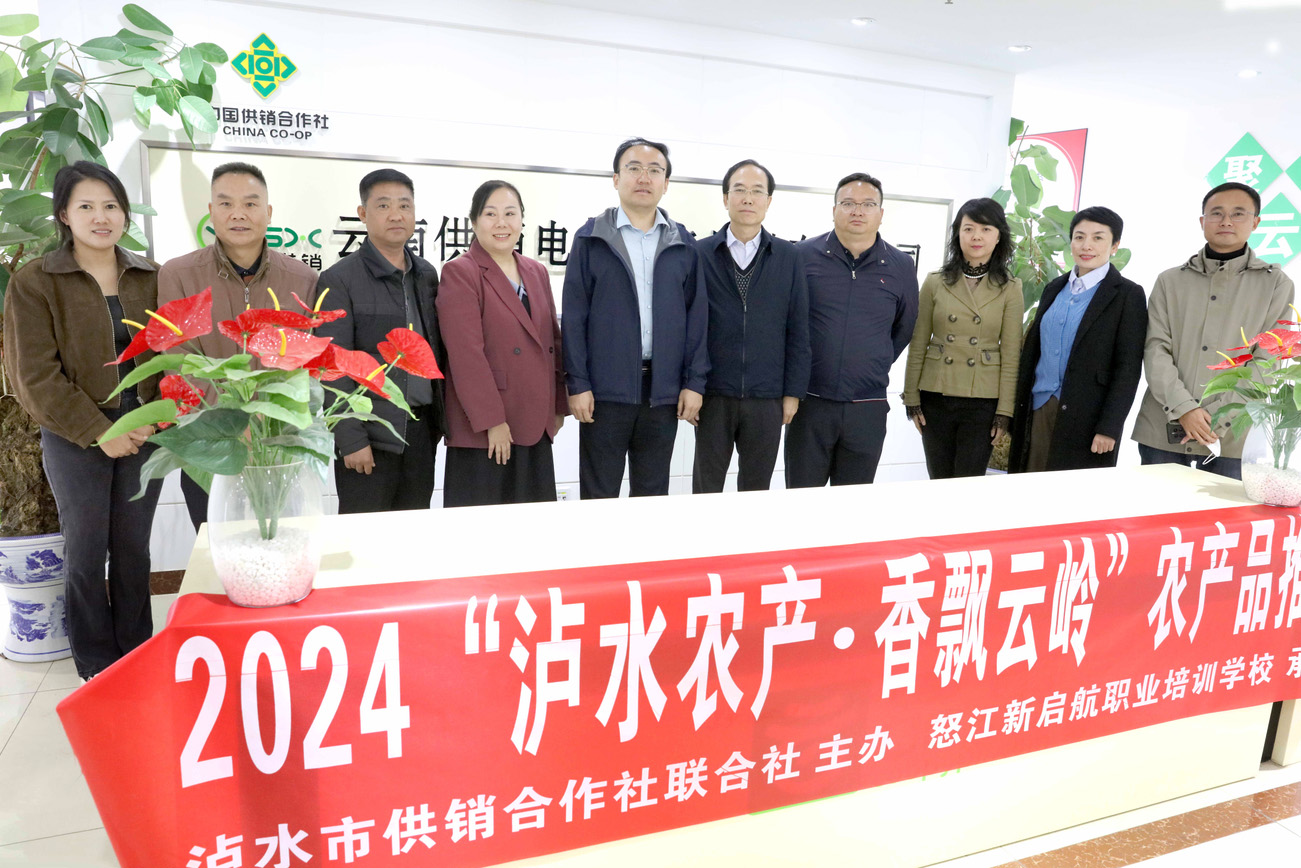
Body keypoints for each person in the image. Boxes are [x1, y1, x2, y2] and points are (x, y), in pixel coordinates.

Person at [3, 162, 162, 682]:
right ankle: (96, 663)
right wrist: (101, 431)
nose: (101, 217)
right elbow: (34, 376)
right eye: (87, 206)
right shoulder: (36, 281)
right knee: (87, 551)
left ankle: (137, 652)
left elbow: (175, 354)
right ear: (64, 216)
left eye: (111, 206)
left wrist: (154, 418)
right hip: (76, 434)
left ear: (125, 214)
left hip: (146, 430)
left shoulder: (152, 276)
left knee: (134, 549)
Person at [158, 161, 317, 529]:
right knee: (215, 542)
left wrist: (266, 419)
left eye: (250, 203)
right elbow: (178, 358)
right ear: (211, 211)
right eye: (226, 203)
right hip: (208, 442)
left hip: (277, 444)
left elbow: (305, 360)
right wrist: (233, 422)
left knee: (278, 540)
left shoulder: (302, 278)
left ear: (268, 212)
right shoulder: (178, 274)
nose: (238, 214)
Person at [562, 137, 709, 498]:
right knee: (599, 493)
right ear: (616, 178)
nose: (644, 177)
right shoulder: (591, 238)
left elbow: (697, 318)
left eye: (654, 170)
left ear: (666, 183)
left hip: (662, 392)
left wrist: (694, 382)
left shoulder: (683, 243)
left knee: (652, 493)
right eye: (634, 168)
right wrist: (577, 383)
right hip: (604, 392)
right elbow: (575, 317)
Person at [1132, 182, 1295, 477]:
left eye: (1238, 213)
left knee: (1224, 509)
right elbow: (1155, 349)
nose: (1226, 221)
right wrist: (1184, 409)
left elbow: (1267, 362)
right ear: (1202, 221)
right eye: (1217, 213)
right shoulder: (1170, 281)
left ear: (1255, 222)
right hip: (1163, 430)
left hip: (1234, 437)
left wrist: (1217, 418)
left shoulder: (1275, 284)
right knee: (1155, 505)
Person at [316, 169, 444, 513]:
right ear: (363, 213)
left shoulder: (426, 275)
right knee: (363, 536)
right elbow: (332, 366)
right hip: (369, 436)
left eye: (404, 205)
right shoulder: (339, 279)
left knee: (412, 530)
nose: (396, 215)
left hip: (421, 432)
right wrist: (350, 438)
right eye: (384, 205)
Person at [436, 180, 567, 506]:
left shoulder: (536, 271)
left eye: (510, 213)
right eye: (490, 214)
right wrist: (492, 421)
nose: (501, 223)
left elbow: (552, 341)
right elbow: (466, 356)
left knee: (531, 524)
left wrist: (557, 405)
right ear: (474, 221)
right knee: (484, 525)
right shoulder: (461, 272)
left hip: (535, 421)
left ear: (522, 219)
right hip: (486, 430)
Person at [786, 172, 918, 487]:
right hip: (810, 402)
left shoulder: (900, 265)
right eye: (848, 203)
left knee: (854, 505)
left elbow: (904, 327)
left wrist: (873, 359)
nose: (857, 211)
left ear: (881, 214)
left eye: (867, 204)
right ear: (834, 210)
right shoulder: (801, 256)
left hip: (867, 407)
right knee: (801, 500)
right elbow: (787, 322)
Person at [693, 159, 809, 492]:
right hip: (713, 394)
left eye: (757, 191)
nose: (748, 198)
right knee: (706, 486)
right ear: (725, 198)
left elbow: (798, 329)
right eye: (739, 190)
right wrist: (693, 385)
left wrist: (792, 393)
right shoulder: (700, 253)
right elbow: (691, 328)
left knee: (757, 489)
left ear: (768, 201)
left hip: (767, 397)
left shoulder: (789, 256)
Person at [1010, 207, 1147, 473]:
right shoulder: (1054, 288)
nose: (1086, 245)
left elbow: (1128, 369)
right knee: (1028, 486)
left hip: (1088, 419)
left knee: (1074, 492)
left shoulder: (1127, 295)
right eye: (1079, 237)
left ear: (1115, 246)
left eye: (1098, 238)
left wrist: (1109, 427)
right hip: (1038, 408)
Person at [903, 198, 1022, 478]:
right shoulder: (935, 281)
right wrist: (911, 397)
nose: (976, 236)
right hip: (936, 394)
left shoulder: (1010, 288)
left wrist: (1005, 410)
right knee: (940, 477)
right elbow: (918, 343)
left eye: (986, 229)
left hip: (983, 399)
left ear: (999, 237)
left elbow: (1011, 354)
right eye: (969, 229)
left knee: (969, 480)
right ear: (958, 233)